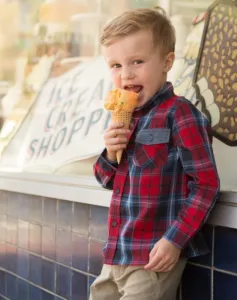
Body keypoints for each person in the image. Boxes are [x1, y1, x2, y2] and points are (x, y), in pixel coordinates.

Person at [90, 8, 220, 300]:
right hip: (116, 254)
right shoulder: (125, 116)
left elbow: (206, 185)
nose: (126, 74)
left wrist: (175, 240)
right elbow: (105, 179)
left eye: (137, 61)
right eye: (115, 65)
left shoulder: (180, 114)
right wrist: (110, 154)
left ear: (166, 62)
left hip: (153, 257)